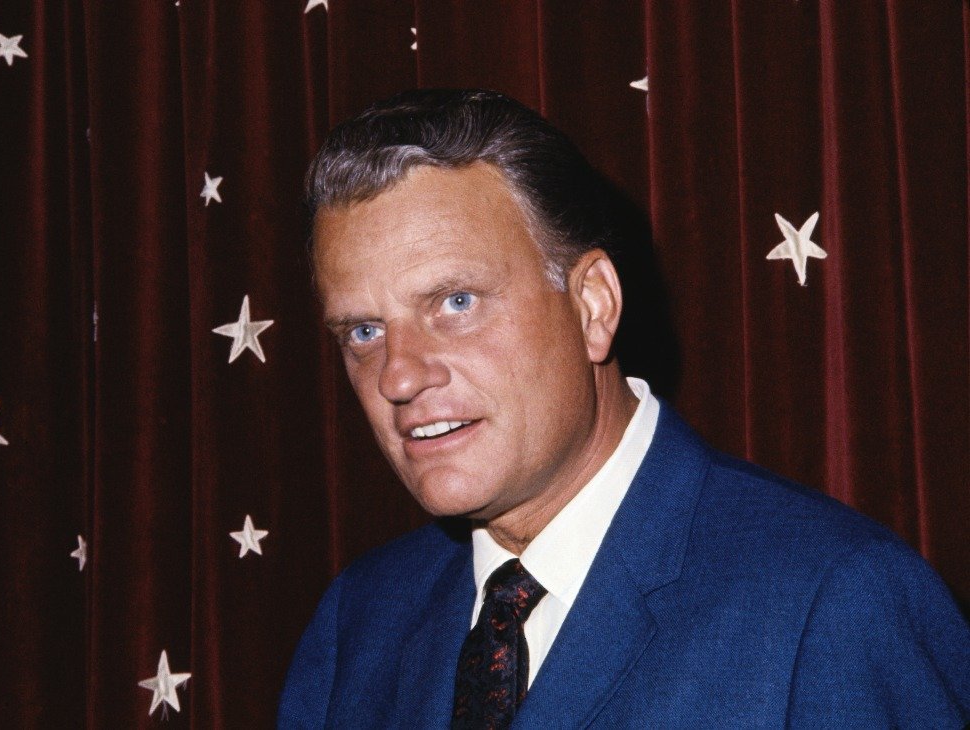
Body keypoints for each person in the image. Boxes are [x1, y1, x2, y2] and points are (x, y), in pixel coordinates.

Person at [278, 89, 970, 728]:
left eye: (456, 302)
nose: (398, 375)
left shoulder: (834, 602)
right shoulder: (358, 624)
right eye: (363, 332)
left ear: (593, 306)